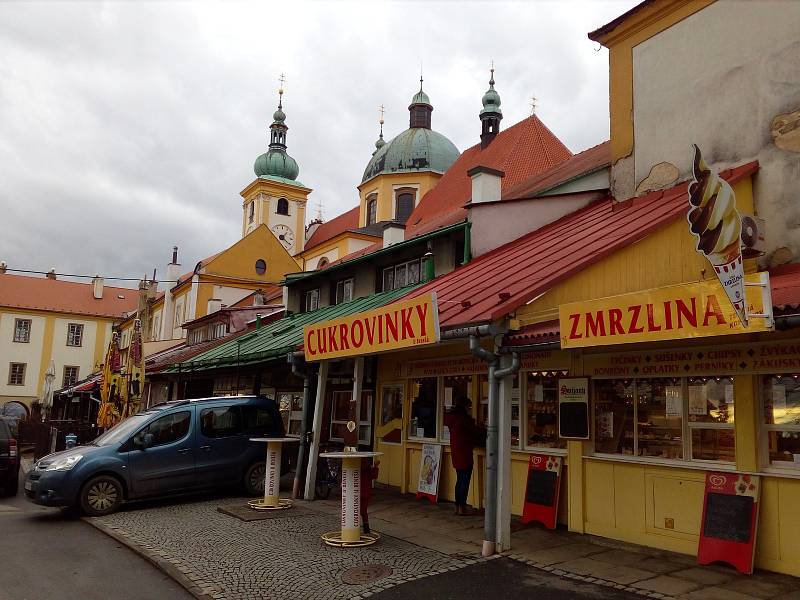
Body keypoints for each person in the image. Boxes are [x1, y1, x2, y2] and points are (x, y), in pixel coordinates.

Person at [444, 396, 482, 515]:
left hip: (456, 451)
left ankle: (457, 506)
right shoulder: (464, 420)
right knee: (465, 480)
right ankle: (462, 507)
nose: (470, 409)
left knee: (460, 479)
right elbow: (475, 433)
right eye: (469, 406)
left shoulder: (452, 418)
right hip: (465, 452)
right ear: (465, 407)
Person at [360, 457, 380, 534]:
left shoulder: (366, 470)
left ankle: (366, 528)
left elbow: (374, 475)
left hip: (363, 493)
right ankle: (365, 528)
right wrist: (375, 466)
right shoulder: (366, 469)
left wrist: (375, 466)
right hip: (363, 493)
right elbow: (374, 475)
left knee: (362, 511)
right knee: (362, 511)